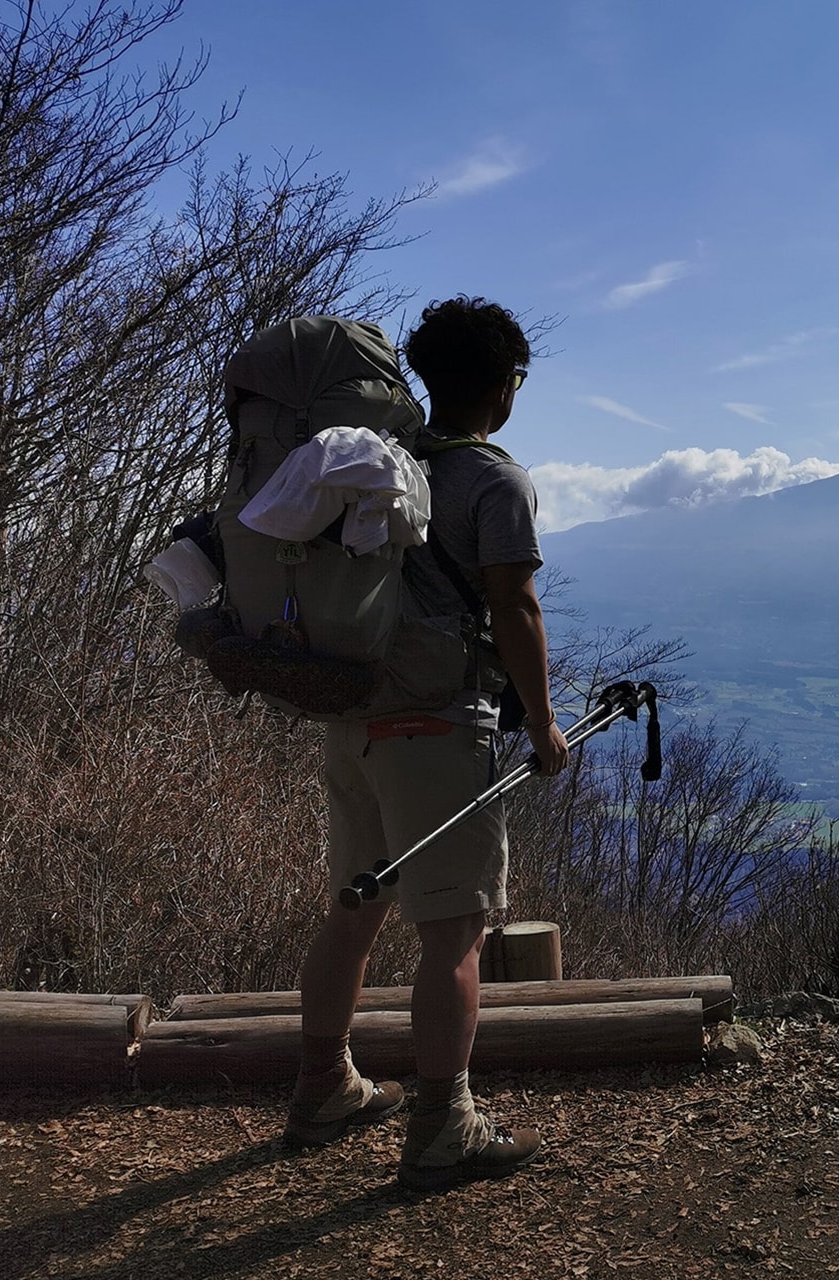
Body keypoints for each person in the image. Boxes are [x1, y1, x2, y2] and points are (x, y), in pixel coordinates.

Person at [282, 296, 571, 1192]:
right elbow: (515, 607)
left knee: (354, 907)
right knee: (454, 930)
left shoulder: (377, 465)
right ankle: (445, 1124)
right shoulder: (494, 480)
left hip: (354, 712)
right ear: (507, 385)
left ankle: (324, 1084)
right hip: (439, 724)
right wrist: (546, 720)